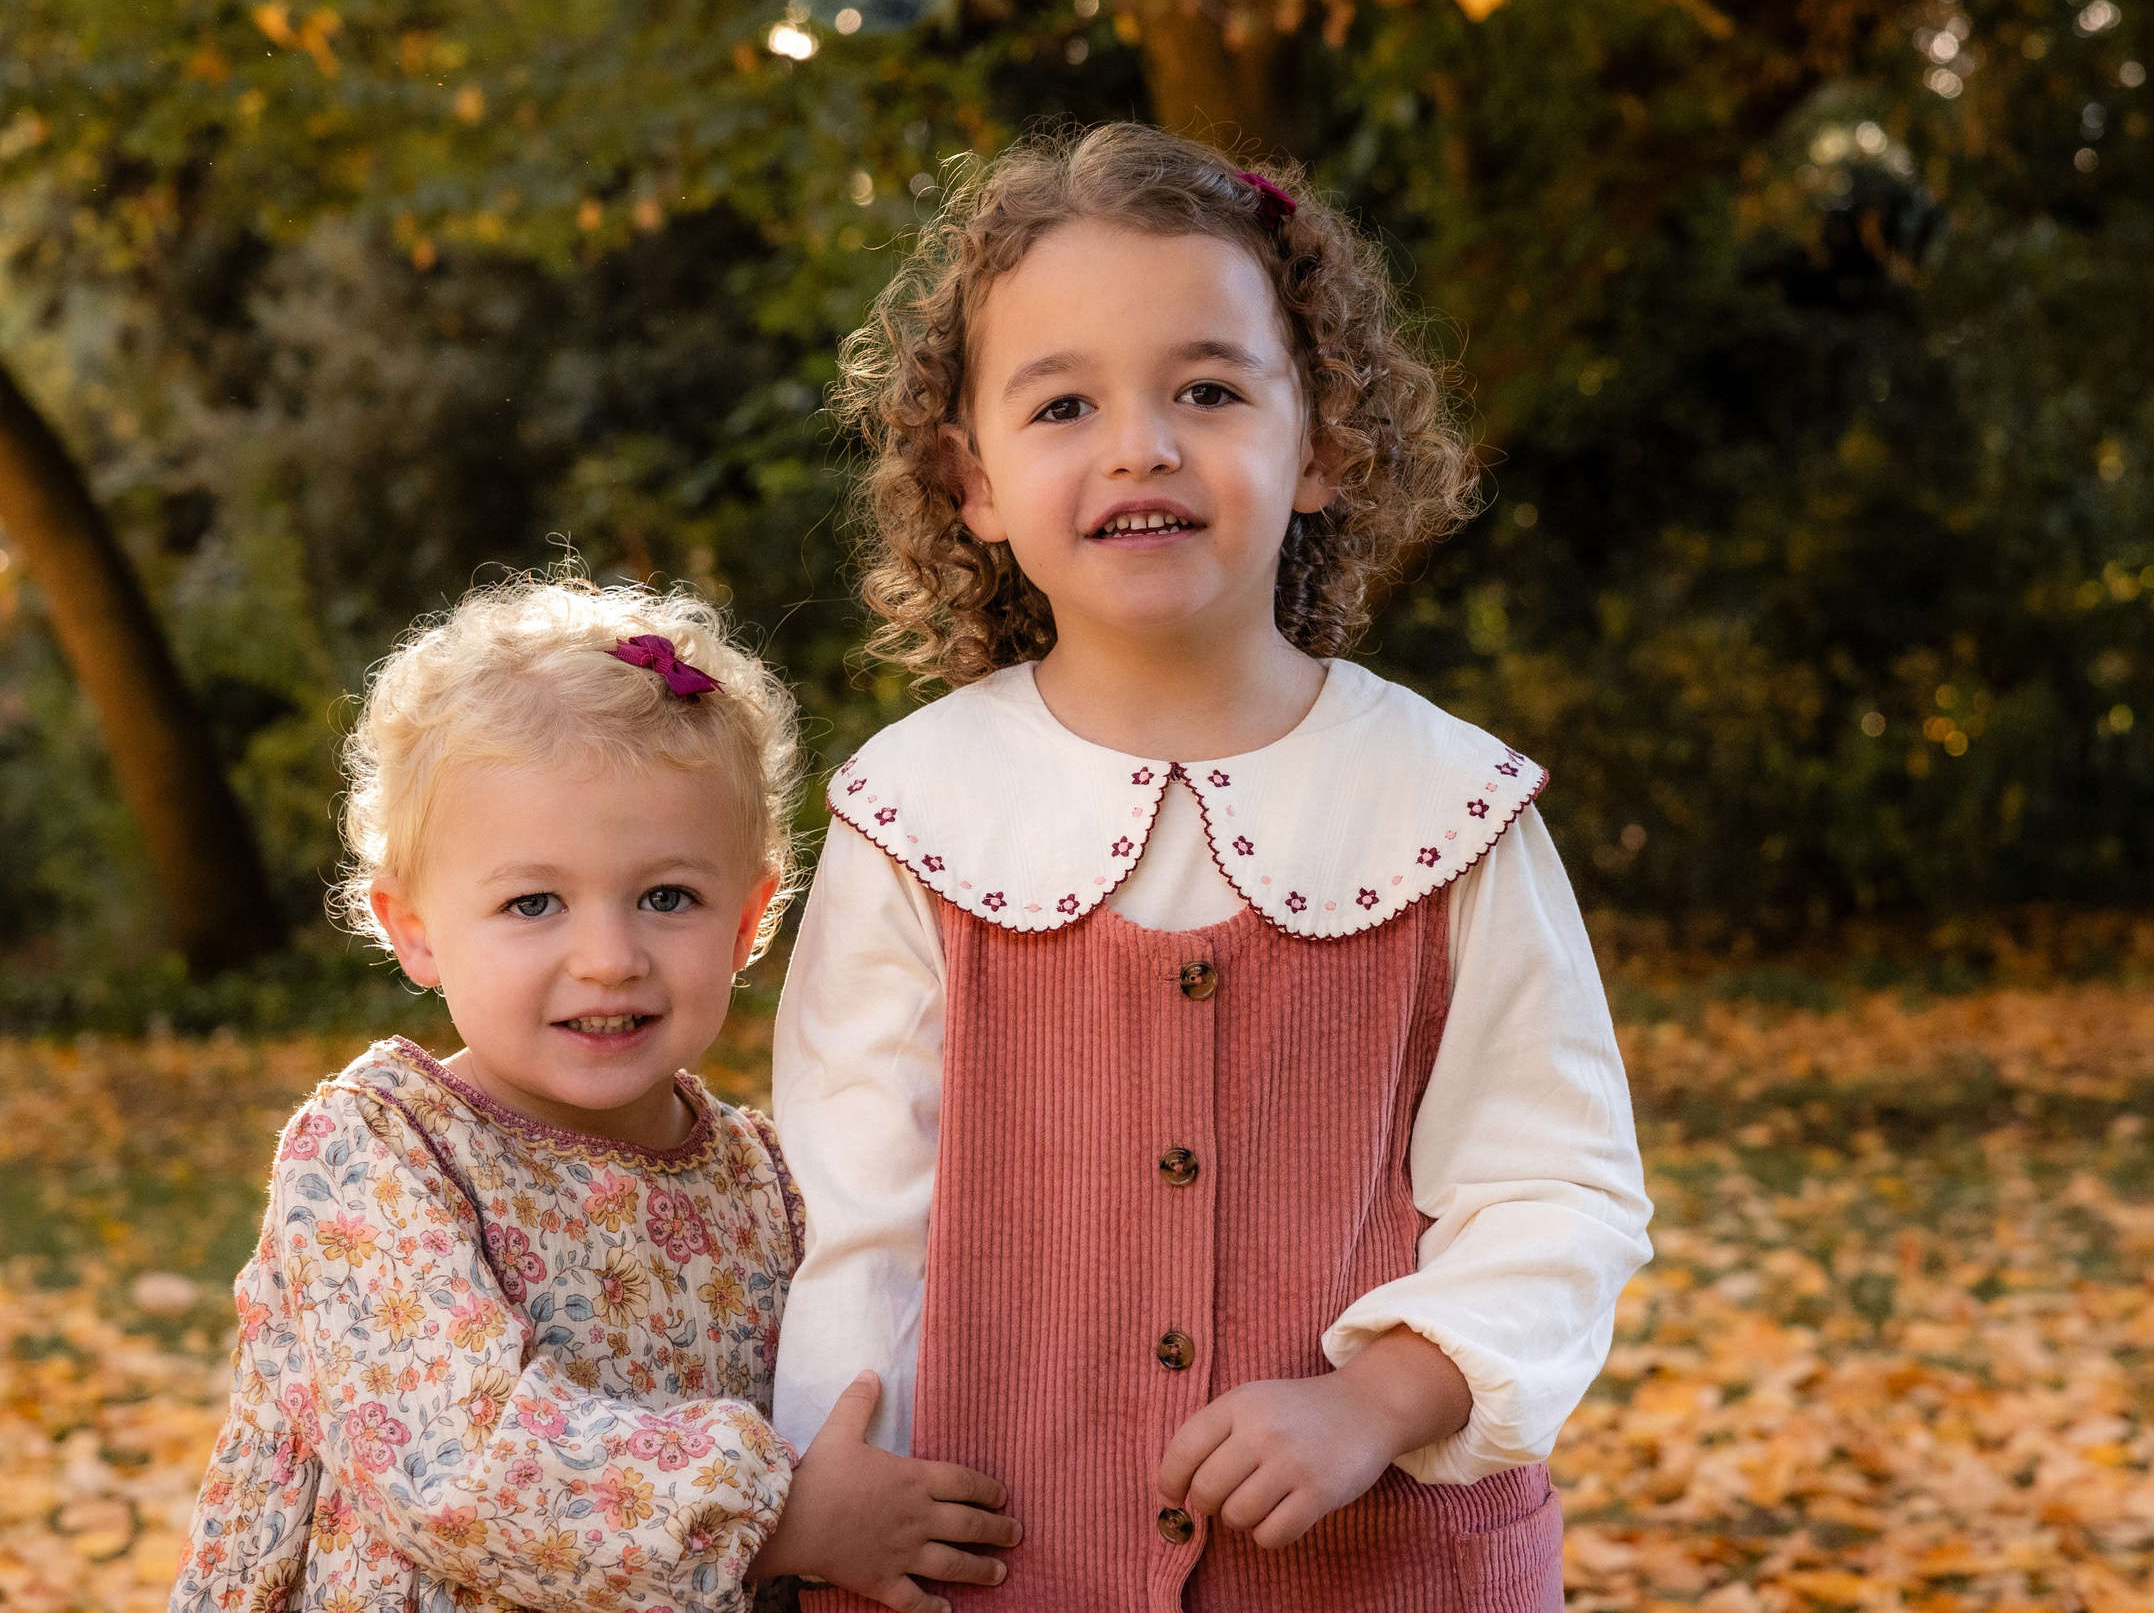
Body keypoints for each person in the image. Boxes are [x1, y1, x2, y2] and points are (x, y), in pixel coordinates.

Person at [771, 122, 1652, 1612]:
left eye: (1208, 388)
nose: (1141, 443)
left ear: (1323, 444)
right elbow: (855, 1225)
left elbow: (1557, 1192)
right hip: (1001, 1566)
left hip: (1382, 1573)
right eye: (1063, 402)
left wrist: (1371, 1399)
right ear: (970, 476)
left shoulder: (1451, 804)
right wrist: (828, 1492)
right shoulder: (914, 813)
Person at [169, 574, 1019, 1613]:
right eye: (534, 903)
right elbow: (452, 1465)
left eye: (668, 897)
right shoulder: (376, 1152)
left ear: (751, 919)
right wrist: (785, 1518)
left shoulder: (769, 1181)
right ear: (415, 927)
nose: (609, 958)